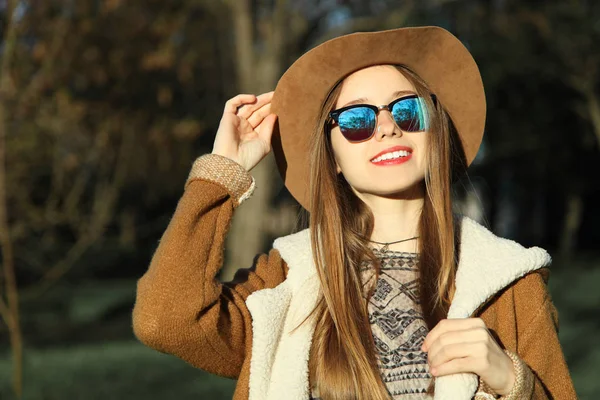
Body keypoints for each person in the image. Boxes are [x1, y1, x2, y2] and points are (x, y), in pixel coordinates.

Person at [132, 26, 577, 400]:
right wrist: (221, 175)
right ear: (334, 159)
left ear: (435, 131)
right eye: (357, 121)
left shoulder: (509, 281)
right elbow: (165, 319)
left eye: (408, 109)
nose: (387, 127)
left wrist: (512, 382)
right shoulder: (287, 279)